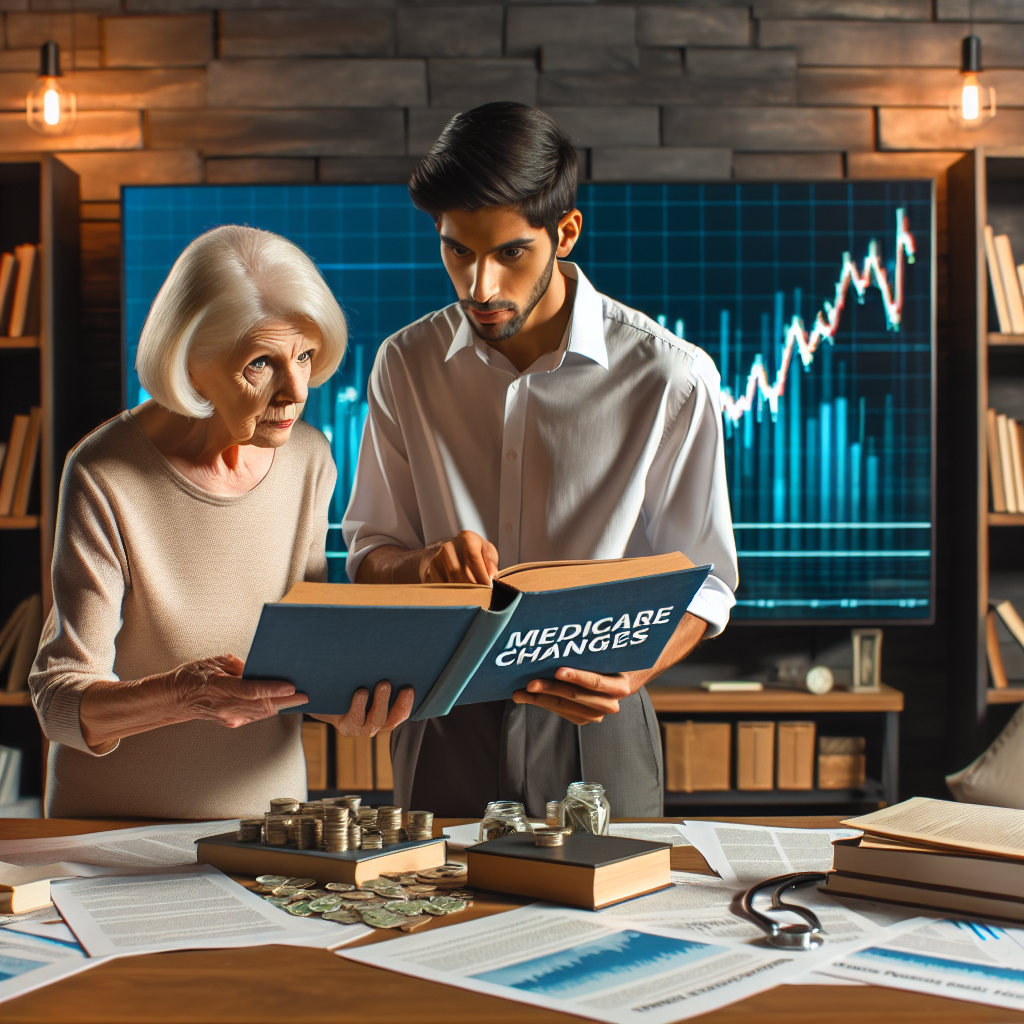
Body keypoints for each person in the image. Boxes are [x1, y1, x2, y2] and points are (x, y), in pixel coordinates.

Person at [343, 103, 738, 818]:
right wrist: (423, 565)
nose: (480, 287)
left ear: (566, 231)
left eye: (509, 253)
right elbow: (370, 551)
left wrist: (630, 672)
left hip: (599, 721)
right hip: (441, 713)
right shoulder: (403, 364)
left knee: (615, 930)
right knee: (435, 928)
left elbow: (707, 584)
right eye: (457, 250)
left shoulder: (670, 377)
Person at [30, 225, 412, 819]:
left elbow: (300, 655)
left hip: (268, 830)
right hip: (112, 836)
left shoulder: (309, 457)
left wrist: (346, 702)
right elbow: (57, 702)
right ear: (192, 364)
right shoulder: (105, 471)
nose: (295, 391)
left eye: (305, 356)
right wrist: (185, 696)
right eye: (262, 362)